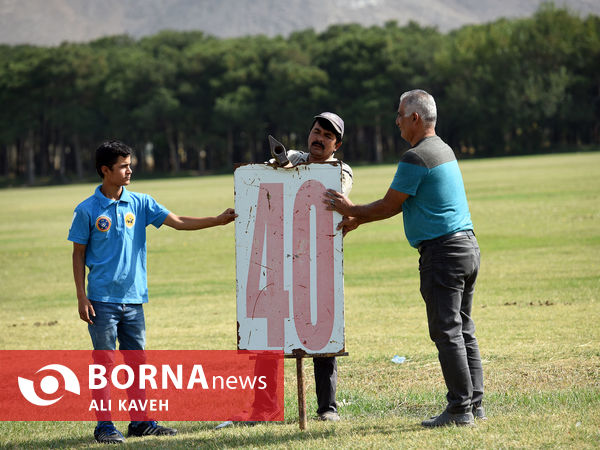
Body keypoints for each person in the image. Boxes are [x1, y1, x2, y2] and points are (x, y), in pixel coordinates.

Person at [324, 90, 485, 427]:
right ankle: (474, 405)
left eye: (399, 114)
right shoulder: (443, 149)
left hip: (442, 254)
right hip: (466, 248)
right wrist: (358, 219)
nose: (395, 120)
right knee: (463, 329)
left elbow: (389, 204)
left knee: (447, 332)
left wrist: (350, 209)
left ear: (415, 118)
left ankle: (459, 409)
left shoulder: (417, 156)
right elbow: (408, 203)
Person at [68, 140, 236, 444]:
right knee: (104, 363)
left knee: (137, 363)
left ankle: (142, 422)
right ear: (105, 170)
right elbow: (78, 254)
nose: (129, 170)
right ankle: (104, 426)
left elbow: (179, 222)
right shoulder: (87, 210)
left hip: (134, 300)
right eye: (123, 166)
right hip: (101, 301)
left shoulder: (141, 203)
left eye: (130, 164)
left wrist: (217, 220)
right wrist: (82, 296)